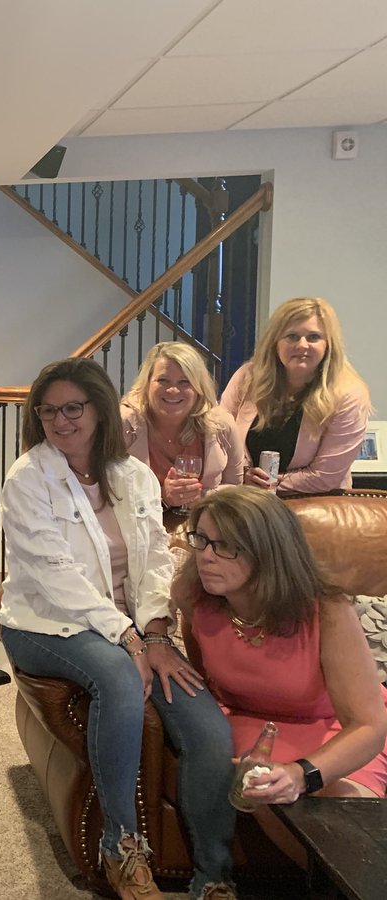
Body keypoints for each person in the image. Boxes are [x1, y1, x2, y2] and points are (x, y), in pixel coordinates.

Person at [0, 358, 237, 900]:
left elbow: (155, 562)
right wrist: (128, 639)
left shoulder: (134, 476)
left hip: (129, 623)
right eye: (48, 411)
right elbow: (54, 576)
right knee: (119, 676)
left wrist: (155, 633)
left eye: (72, 408)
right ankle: (122, 848)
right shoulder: (28, 477)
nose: (60, 421)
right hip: (44, 622)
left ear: (100, 409)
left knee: (206, 728)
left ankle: (215, 875)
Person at [175, 488, 387, 831]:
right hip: (250, 724)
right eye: (201, 539)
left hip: (337, 728)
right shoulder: (192, 597)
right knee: (266, 791)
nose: (206, 557)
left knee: (350, 826)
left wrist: (302, 774)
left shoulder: (327, 609)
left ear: (268, 551)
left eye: (225, 545)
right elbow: (206, 685)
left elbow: (368, 726)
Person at [221, 297, 370, 494]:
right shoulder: (247, 377)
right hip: (248, 499)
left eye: (313, 337)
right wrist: (242, 475)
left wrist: (267, 484)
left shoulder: (349, 394)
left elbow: (325, 477)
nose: (302, 345)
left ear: (328, 344)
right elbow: (221, 438)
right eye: (291, 336)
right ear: (275, 342)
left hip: (314, 502)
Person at [121, 341, 242, 512]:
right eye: (163, 380)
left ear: (198, 388)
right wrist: (162, 496)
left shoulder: (222, 423)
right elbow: (108, 491)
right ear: (147, 383)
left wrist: (200, 498)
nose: (173, 390)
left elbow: (236, 488)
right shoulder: (124, 423)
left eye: (184, 382)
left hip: (205, 523)